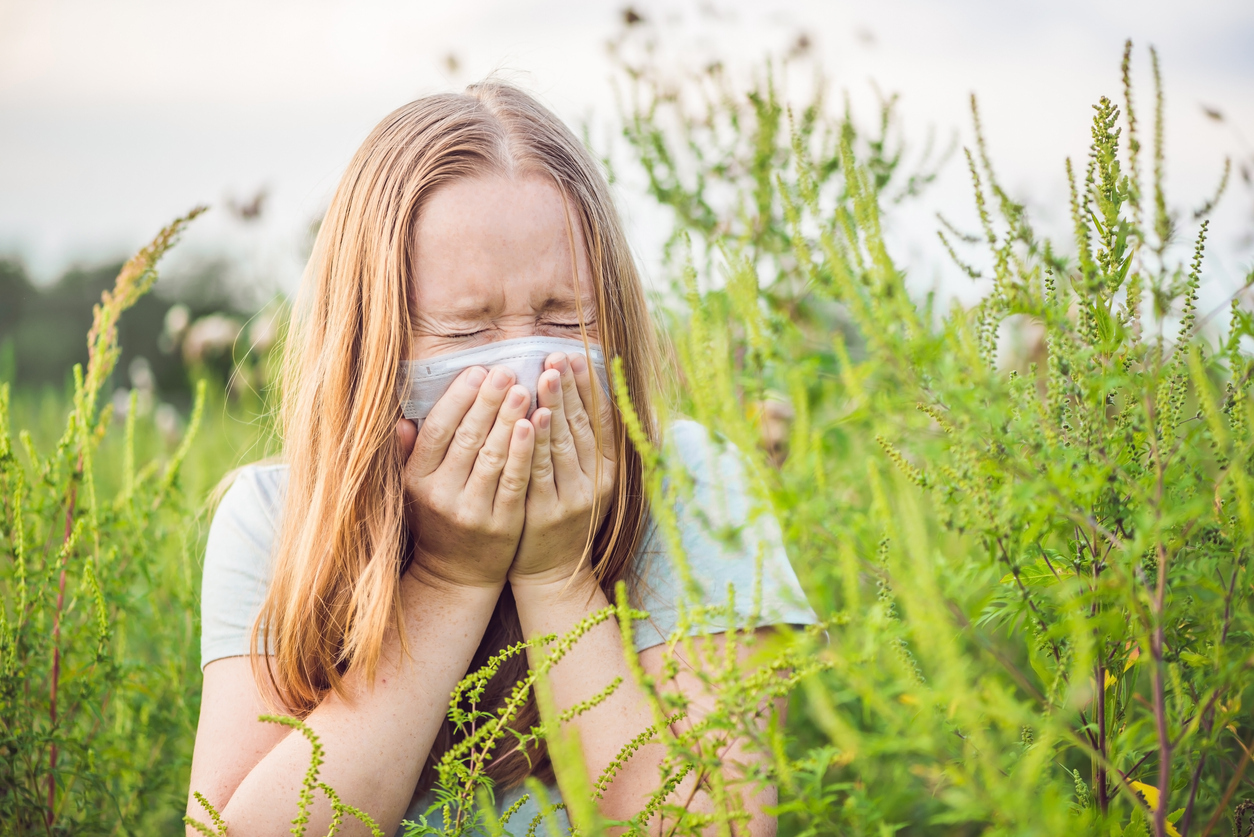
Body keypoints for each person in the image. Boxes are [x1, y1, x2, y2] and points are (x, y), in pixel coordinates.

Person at [187, 81, 816, 837]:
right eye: (465, 330)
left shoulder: (690, 487)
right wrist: (451, 579)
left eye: (563, 317)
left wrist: (556, 575)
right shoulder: (275, 519)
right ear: (372, 348)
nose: (526, 370)